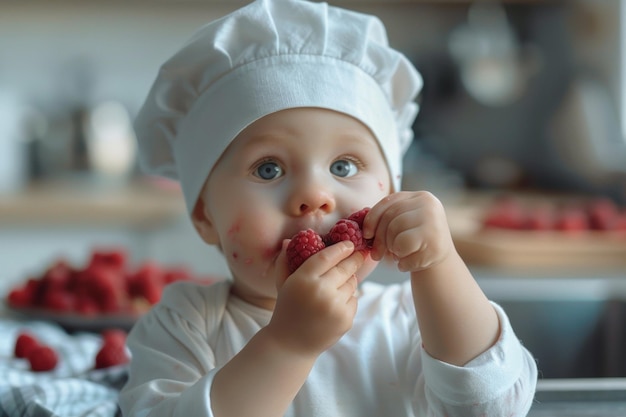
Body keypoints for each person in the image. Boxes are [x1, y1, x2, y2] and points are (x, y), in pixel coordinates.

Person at [119, 0, 538, 416]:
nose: (315, 194)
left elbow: (493, 407)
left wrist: (441, 264)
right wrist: (287, 345)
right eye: (268, 169)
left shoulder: (414, 318)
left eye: (344, 166)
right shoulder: (183, 325)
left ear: (392, 190)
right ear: (204, 215)